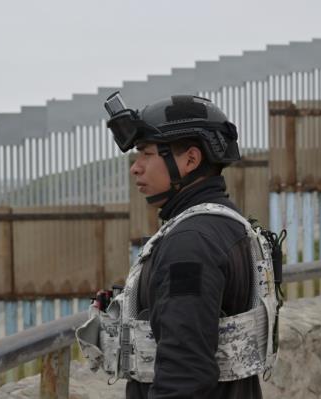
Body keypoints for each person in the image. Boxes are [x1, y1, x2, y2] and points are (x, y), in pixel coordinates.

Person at [96, 93, 277, 398]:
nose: (135, 167)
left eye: (146, 153)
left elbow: (185, 373)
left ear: (191, 160)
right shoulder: (226, 224)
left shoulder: (191, 245)